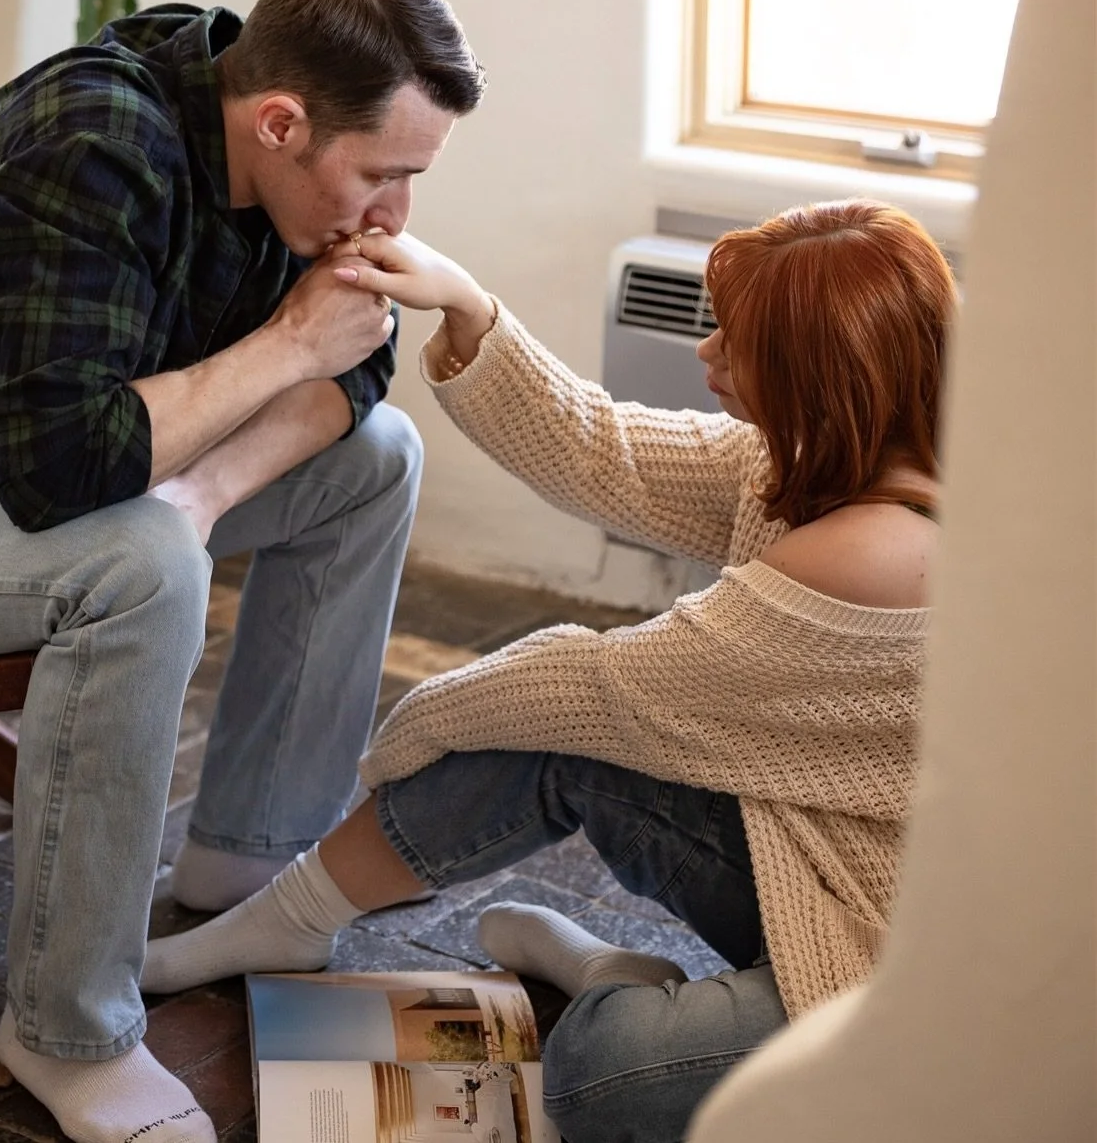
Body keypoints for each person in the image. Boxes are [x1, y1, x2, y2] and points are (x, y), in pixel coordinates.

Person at [0, 0, 485, 1143]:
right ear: (283, 121)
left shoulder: (262, 143)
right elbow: (63, 465)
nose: (393, 215)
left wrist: (207, 488)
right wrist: (285, 345)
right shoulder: (96, 144)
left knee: (373, 459)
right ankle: (65, 1026)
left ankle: (246, 865)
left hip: (8, 492)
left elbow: (362, 357)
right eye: (383, 173)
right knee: (136, 560)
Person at [138, 201, 956, 1143]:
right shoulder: (821, 463)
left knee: (602, 1077)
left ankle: (610, 974)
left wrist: (405, 734)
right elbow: (603, 450)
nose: (707, 349)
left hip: (895, 968)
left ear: (820, 375)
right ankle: (290, 920)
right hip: (820, 863)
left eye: (740, 336)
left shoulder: (869, 556)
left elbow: (592, 685)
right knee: (539, 728)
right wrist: (468, 307)